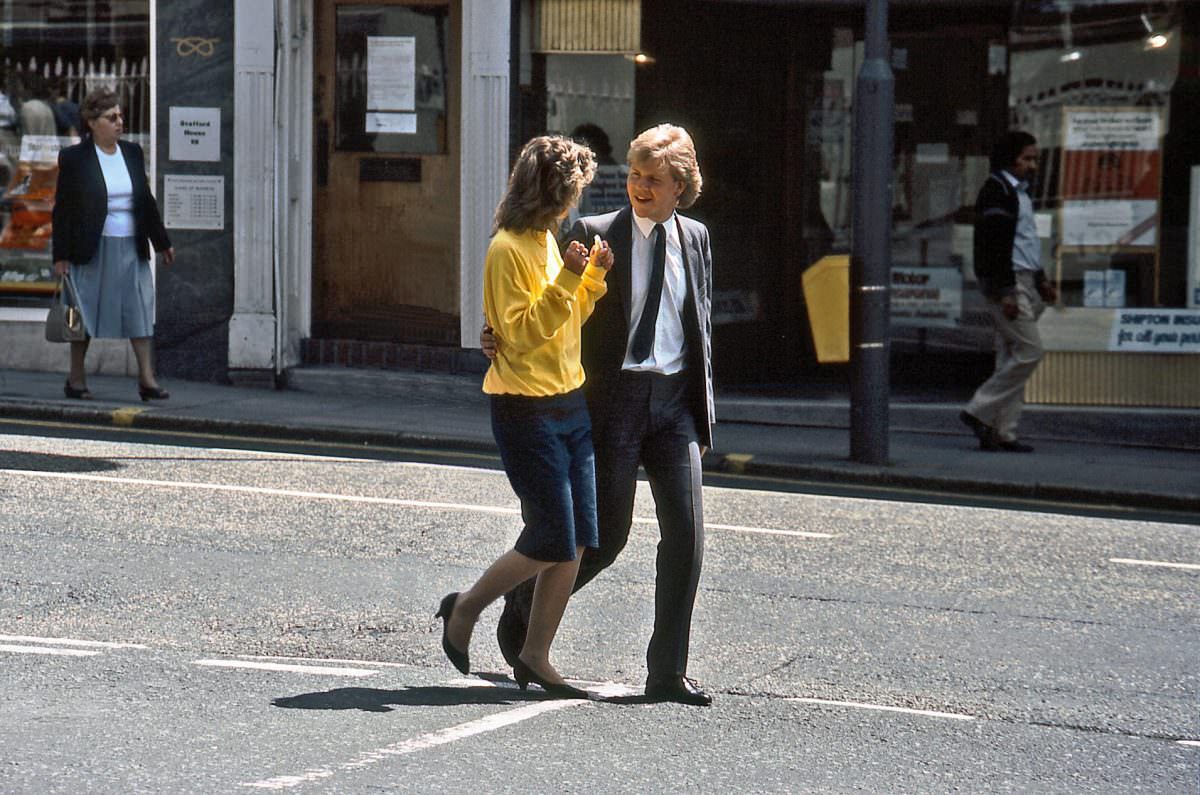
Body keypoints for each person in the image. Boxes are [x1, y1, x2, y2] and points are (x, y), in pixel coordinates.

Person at [486, 123, 716, 706]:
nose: (640, 186)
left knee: (687, 536)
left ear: (681, 185)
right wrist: (498, 339)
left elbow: (701, 330)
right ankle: (522, 609)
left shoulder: (696, 239)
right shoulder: (592, 232)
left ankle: (667, 673)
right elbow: (550, 312)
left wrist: (703, 415)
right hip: (613, 403)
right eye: (635, 174)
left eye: (654, 178)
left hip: (674, 405)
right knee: (606, 539)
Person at [436, 135, 613, 699]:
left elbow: (566, 321)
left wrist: (589, 278)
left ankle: (536, 654)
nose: (576, 203)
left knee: (579, 538)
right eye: (573, 193)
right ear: (554, 194)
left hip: (570, 402)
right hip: (525, 410)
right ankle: (466, 607)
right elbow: (523, 333)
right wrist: (568, 278)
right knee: (550, 536)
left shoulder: (547, 242)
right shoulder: (507, 249)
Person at [51, 87, 175, 401]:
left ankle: (147, 379)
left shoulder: (132, 153)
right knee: (82, 314)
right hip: (90, 248)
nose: (120, 122)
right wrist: (61, 255)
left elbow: (145, 201)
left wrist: (161, 242)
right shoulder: (75, 158)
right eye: (111, 117)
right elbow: (63, 209)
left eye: (120, 116)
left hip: (130, 245)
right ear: (92, 123)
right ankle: (76, 379)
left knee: (139, 309)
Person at [960, 131, 1057, 453]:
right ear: (1009, 158)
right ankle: (978, 410)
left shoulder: (1020, 193)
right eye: (1027, 158)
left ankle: (1003, 432)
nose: (1033, 165)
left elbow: (1025, 243)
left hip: (1024, 280)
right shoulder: (997, 191)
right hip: (1010, 283)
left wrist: (1041, 279)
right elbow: (993, 247)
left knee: (1010, 358)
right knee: (1031, 350)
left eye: (1035, 159)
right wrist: (1004, 292)